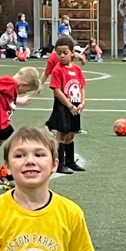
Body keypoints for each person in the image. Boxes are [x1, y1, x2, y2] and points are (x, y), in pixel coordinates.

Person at [44, 36, 86, 174]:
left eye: (65, 53)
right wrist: (69, 105)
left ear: (72, 53)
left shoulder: (77, 69)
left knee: (71, 134)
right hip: (63, 106)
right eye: (59, 53)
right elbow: (57, 91)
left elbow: (81, 87)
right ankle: (59, 163)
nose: (61, 56)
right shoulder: (57, 70)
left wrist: (82, 103)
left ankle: (70, 162)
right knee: (61, 135)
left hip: (75, 105)